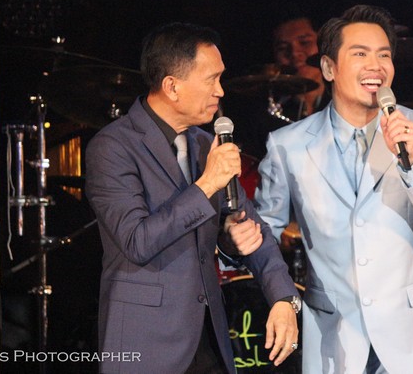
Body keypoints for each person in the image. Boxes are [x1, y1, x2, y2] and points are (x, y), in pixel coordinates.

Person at [254, 5, 413, 373]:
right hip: (335, 340)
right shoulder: (287, 144)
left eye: (384, 55)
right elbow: (263, 237)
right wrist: (277, 294)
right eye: (360, 54)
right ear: (328, 68)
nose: (376, 66)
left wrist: (412, 164)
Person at [85, 22, 300, 374]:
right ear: (172, 86)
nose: (220, 91)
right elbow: (137, 241)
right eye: (211, 79)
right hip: (146, 344)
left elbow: (252, 228)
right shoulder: (113, 147)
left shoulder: (204, 143)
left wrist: (283, 298)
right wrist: (207, 183)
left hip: (208, 339)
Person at [272, 16, 330, 120]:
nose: (294, 53)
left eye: (304, 43)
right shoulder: (270, 110)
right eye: (283, 48)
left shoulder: (349, 99)